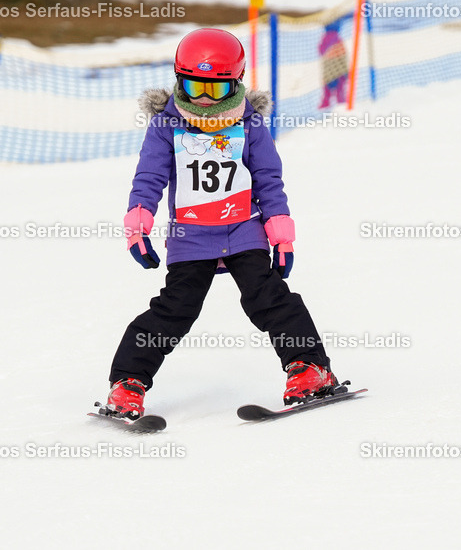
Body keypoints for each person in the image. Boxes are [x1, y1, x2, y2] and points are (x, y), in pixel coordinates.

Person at [104, 28, 338, 419]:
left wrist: (281, 236)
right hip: (190, 237)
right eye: (193, 87)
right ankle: (128, 382)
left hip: (244, 230)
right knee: (175, 309)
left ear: (235, 85)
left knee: (269, 299)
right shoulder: (166, 126)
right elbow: (148, 179)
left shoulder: (249, 125)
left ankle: (309, 368)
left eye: (214, 91)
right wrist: (138, 226)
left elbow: (269, 181)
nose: (201, 101)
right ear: (179, 79)